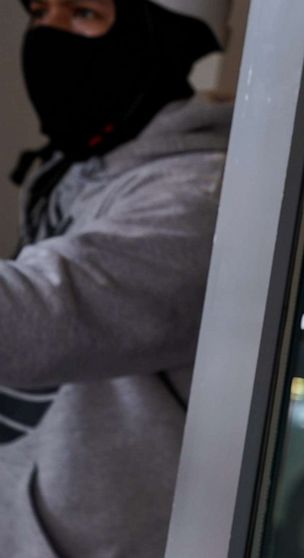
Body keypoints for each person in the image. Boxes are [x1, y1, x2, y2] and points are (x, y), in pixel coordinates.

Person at [0, 0, 231, 556]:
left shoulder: (203, 199)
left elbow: (43, 315)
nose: (46, 33)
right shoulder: (80, 169)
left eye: (83, 12)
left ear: (162, 41)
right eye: (40, 11)